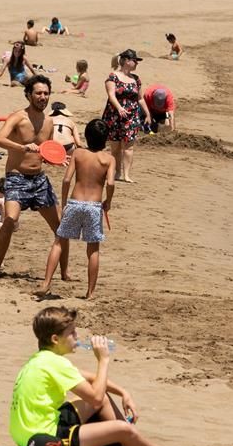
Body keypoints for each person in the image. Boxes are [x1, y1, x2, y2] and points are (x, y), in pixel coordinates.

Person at [9, 306, 208, 446]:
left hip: (28, 430)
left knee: (104, 398)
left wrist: (124, 392)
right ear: (55, 339)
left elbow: (92, 381)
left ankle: (121, 442)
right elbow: (94, 399)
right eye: (72, 333)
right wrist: (103, 360)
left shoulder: (41, 359)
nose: (77, 337)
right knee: (123, 429)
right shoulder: (57, 363)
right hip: (44, 439)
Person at [0, 75, 69, 278]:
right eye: (38, 93)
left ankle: (64, 273)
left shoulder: (49, 121)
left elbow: (46, 150)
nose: (43, 97)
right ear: (29, 95)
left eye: (46, 93)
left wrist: (57, 160)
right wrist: (22, 147)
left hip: (39, 179)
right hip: (17, 177)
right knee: (10, 219)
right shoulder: (18, 117)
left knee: (61, 227)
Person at [35, 120, 114, 299]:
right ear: (105, 139)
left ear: (86, 136)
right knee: (93, 249)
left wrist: (64, 203)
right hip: (94, 206)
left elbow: (66, 180)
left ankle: (46, 283)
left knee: (59, 242)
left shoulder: (78, 153)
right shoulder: (109, 159)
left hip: (75, 202)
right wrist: (108, 201)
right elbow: (110, 183)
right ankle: (90, 292)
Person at [102, 49, 151, 183]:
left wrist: (147, 113)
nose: (136, 64)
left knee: (129, 147)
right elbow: (111, 95)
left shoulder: (136, 79)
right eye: (135, 61)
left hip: (132, 116)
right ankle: (117, 172)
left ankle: (127, 175)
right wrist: (119, 108)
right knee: (116, 147)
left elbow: (140, 98)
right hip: (114, 115)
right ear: (126, 61)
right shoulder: (113, 76)